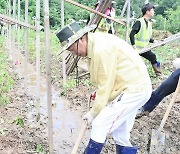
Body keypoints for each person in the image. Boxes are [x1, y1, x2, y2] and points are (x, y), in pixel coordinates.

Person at [56, 22, 152, 154]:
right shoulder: (96, 44)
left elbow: (105, 84)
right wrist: (99, 94)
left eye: (73, 49)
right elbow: (109, 75)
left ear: (82, 39)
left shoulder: (100, 49)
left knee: (100, 125)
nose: (74, 53)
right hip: (134, 87)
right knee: (121, 134)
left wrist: (93, 113)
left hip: (134, 89)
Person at [129, 3, 162, 75]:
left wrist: (154, 41)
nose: (154, 12)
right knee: (132, 62)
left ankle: (158, 73)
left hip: (144, 48)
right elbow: (131, 34)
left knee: (152, 57)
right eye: (152, 10)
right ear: (147, 12)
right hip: (135, 47)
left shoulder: (149, 23)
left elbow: (146, 37)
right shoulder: (139, 21)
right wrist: (134, 47)